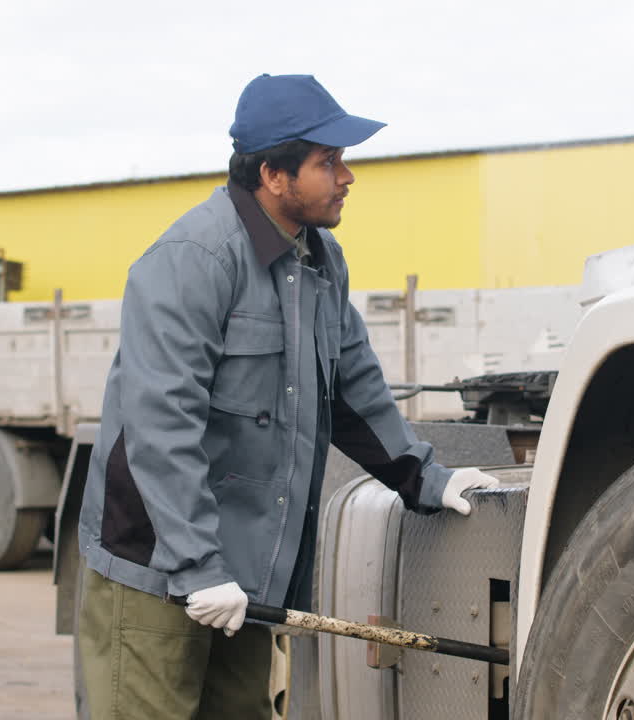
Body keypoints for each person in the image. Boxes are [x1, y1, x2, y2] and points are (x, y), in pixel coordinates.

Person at [75, 73, 500, 719]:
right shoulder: (193, 258)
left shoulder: (320, 262)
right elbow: (161, 425)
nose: (347, 176)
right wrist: (196, 563)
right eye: (328, 162)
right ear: (274, 174)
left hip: (239, 569)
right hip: (157, 563)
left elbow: (353, 387)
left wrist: (423, 477)